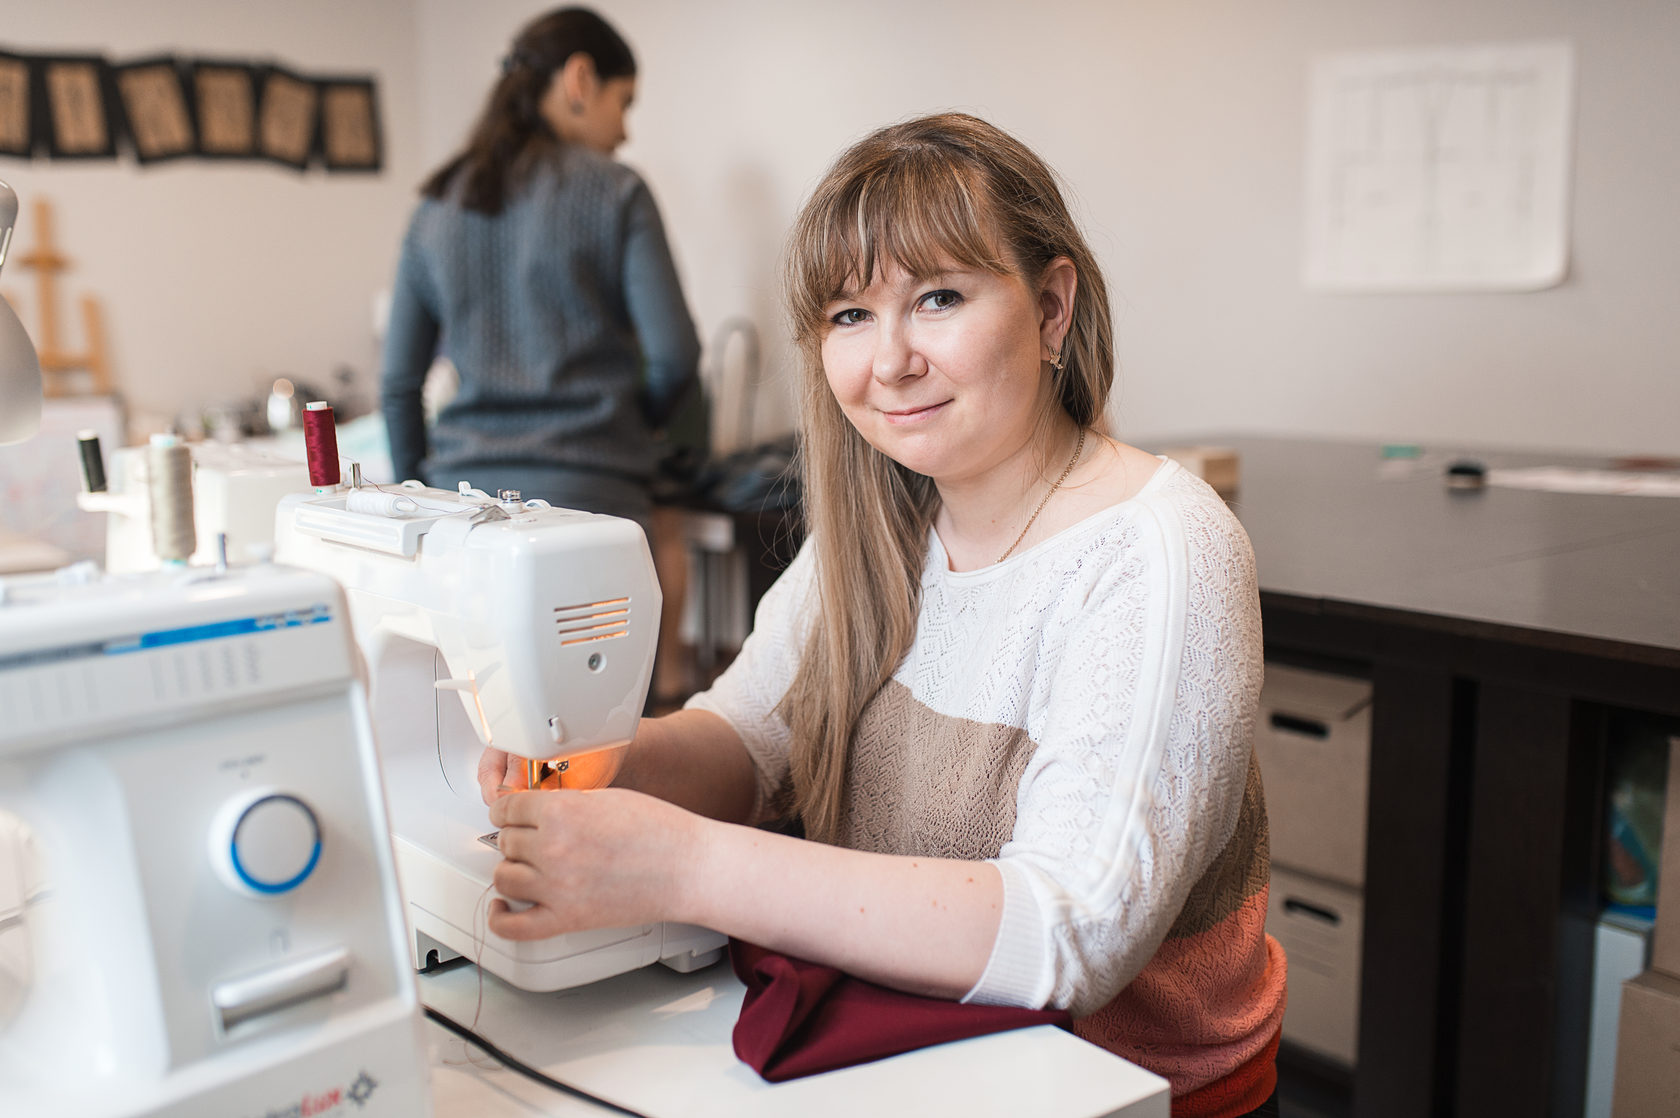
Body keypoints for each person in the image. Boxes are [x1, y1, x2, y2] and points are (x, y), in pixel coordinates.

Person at [478, 113, 1286, 1117]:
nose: (889, 360)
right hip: (916, 1055)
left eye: (937, 298)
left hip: (1118, 1090)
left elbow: (1069, 934)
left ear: (1051, 307)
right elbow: (751, 734)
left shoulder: (1158, 549)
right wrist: (603, 759)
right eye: (849, 316)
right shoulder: (882, 523)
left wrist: (680, 863)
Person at [379, 6, 700, 531]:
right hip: (595, 495)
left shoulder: (435, 208)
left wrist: (420, 491)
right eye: (623, 102)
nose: (624, 131)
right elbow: (676, 358)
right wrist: (627, 427)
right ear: (580, 79)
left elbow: (397, 383)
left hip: (460, 506)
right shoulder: (619, 192)